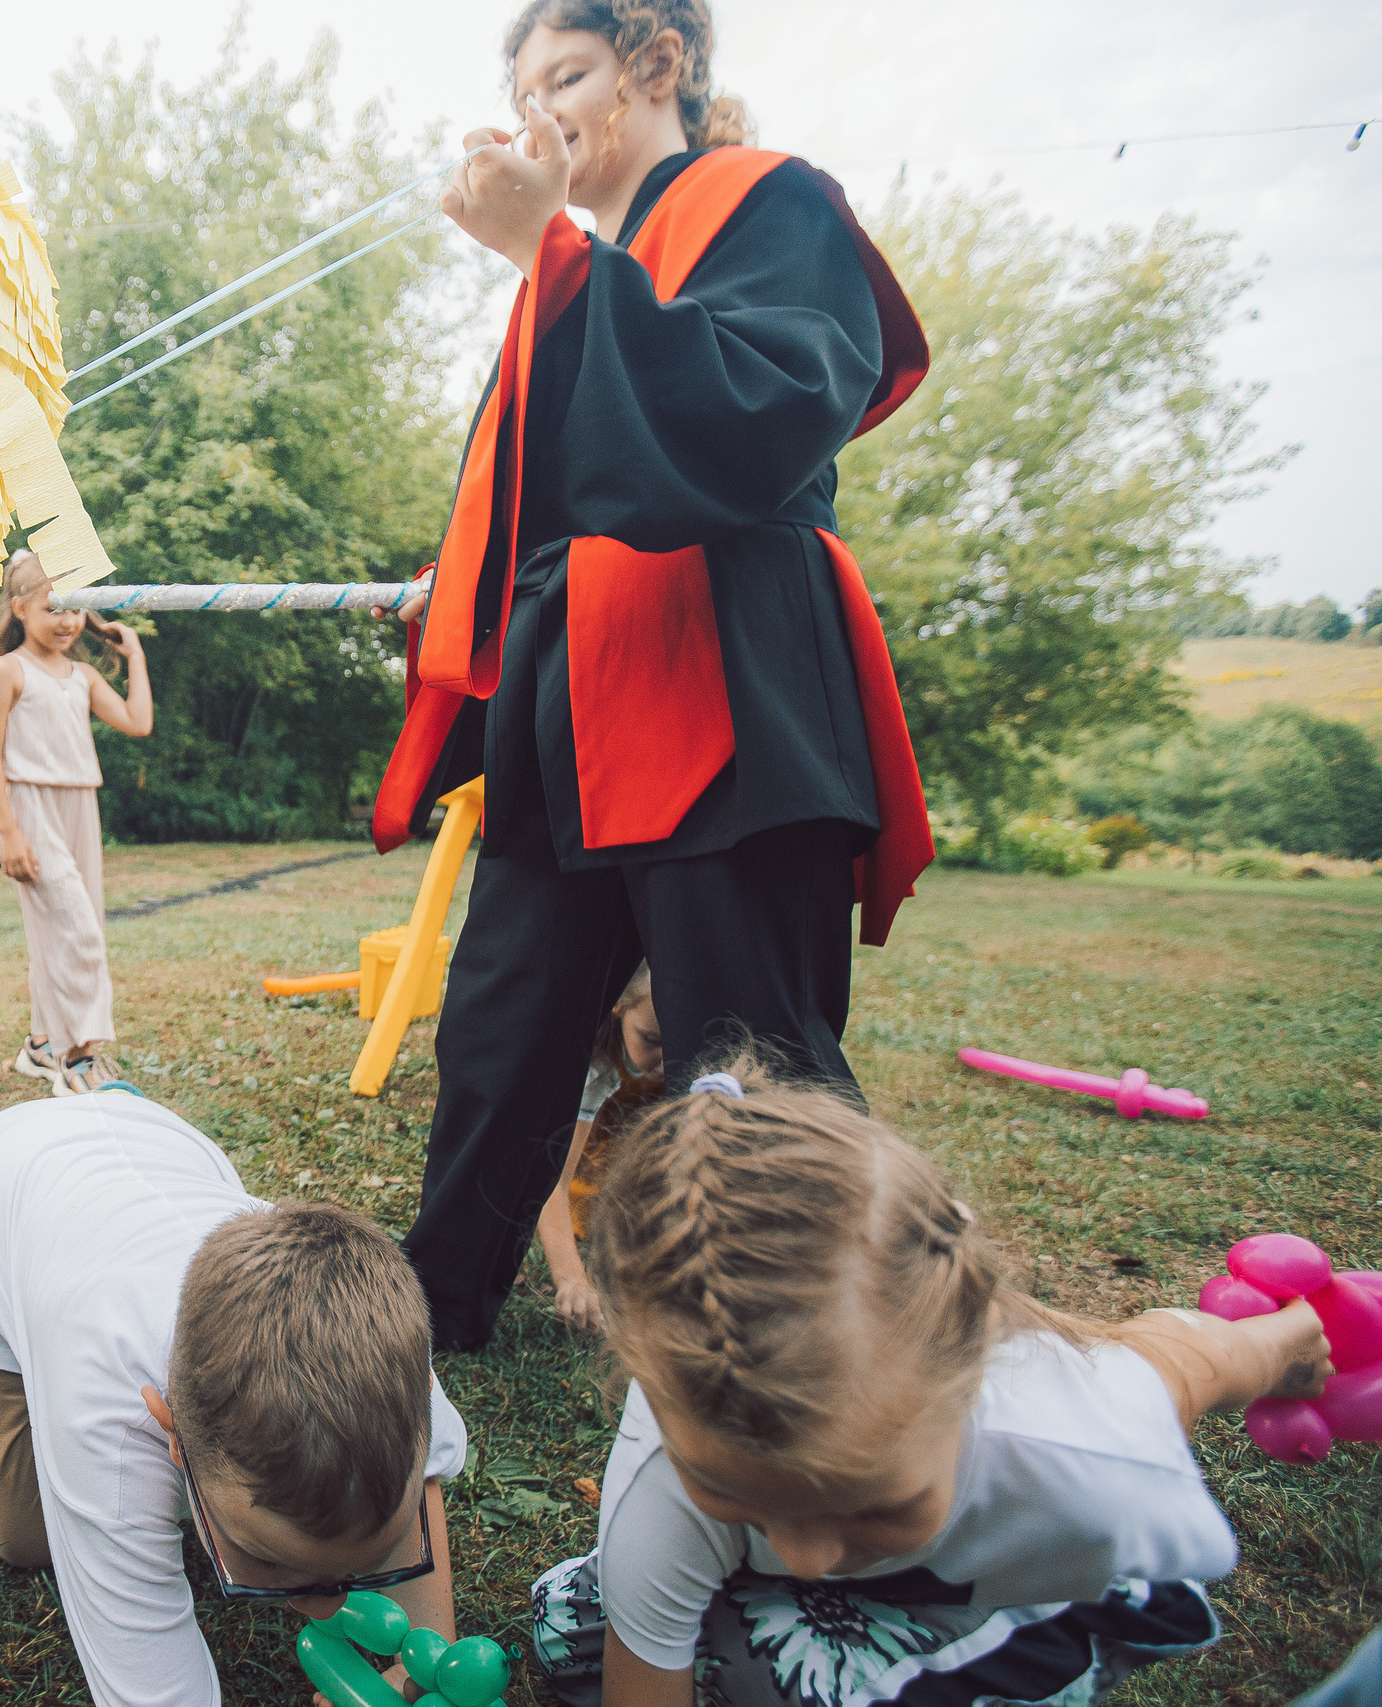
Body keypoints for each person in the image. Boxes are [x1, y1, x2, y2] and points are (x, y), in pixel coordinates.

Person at [380, 0, 935, 1351]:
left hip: (723, 677)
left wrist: (550, 254)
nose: (545, 111)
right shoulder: (573, 264)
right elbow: (533, 500)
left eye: (567, 74)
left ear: (658, 66)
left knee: (752, 1049)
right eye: (529, 89)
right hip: (569, 696)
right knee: (500, 1025)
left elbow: (766, 407)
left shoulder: (772, 201)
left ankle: (831, 1340)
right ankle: (433, 1304)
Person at [523, 1060, 1333, 1705]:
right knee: (577, 1637)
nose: (807, 1557)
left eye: (874, 1500)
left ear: (972, 1372)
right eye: (733, 1492)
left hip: (1007, 1597)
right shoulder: (661, 1486)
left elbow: (1189, 1363)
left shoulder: (1088, 1442)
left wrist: (1284, 1346)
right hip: (752, 1593)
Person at [0, 1089, 470, 1707]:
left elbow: (419, 1488)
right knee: (22, 1539)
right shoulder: (106, 1422)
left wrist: (420, 1671)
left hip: (165, 1141)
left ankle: (102, 1107)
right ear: (171, 1432)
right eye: (263, 1564)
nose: (330, 1605)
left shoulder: (390, 1358)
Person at [0, 550, 151, 1096]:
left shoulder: (83, 676)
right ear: (21, 607)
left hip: (81, 808)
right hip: (31, 808)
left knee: (65, 930)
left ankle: (40, 1044)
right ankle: (77, 1058)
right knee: (77, 931)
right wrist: (8, 831)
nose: (68, 621)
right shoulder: (8, 671)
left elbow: (138, 722)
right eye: (55, 608)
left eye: (76, 610)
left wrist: (136, 655)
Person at [532, 964, 662, 1334]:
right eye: (651, 1040)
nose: (667, 1060)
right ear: (619, 1008)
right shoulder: (595, 1068)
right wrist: (572, 1280)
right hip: (595, 1153)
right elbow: (552, 1182)